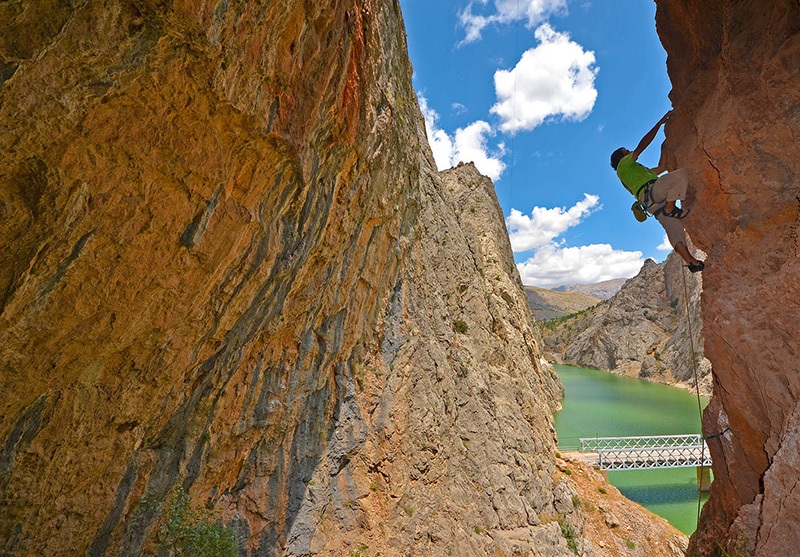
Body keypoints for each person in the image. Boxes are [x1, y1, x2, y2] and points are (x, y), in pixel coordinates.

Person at [610, 110, 705, 273]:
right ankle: (670, 207)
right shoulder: (623, 166)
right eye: (626, 151)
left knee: (675, 231)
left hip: (651, 203)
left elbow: (662, 167)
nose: (630, 151)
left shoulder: (635, 172)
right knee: (681, 175)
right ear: (622, 157)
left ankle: (692, 263)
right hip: (654, 192)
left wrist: (664, 146)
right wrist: (659, 124)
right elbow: (643, 145)